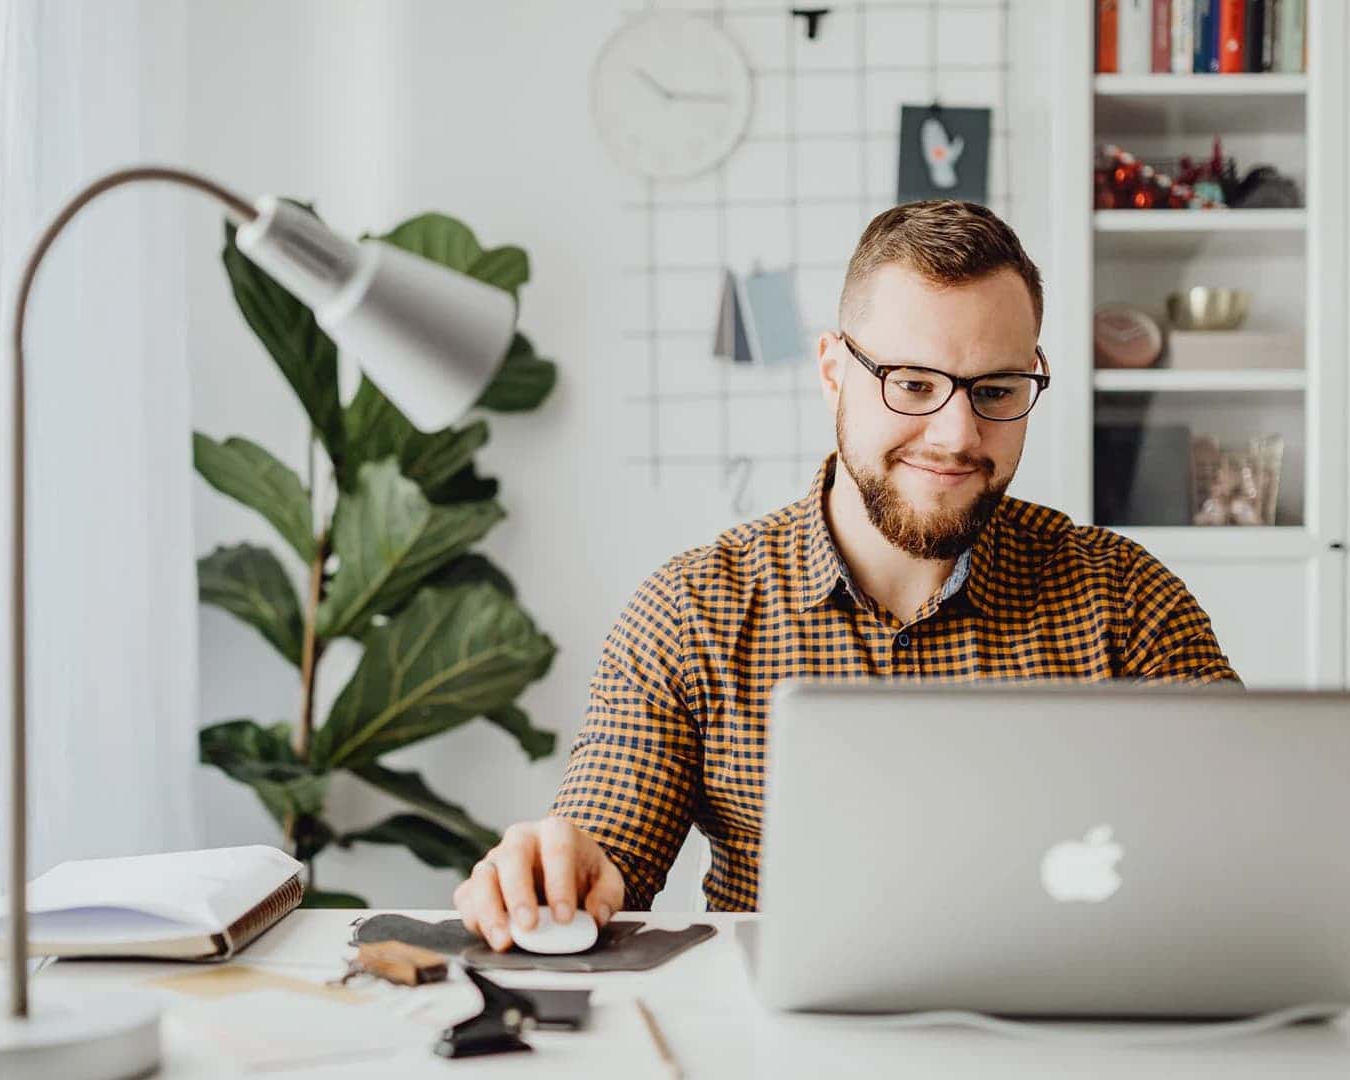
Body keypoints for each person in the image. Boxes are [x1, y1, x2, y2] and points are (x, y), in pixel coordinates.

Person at [451, 200, 1239, 952]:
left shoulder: (1127, 600)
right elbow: (606, 842)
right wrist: (558, 870)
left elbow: (1251, 837)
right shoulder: (694, 610)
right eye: (913, 384)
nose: (958, 435)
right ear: (833, 371)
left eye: (997, 391)